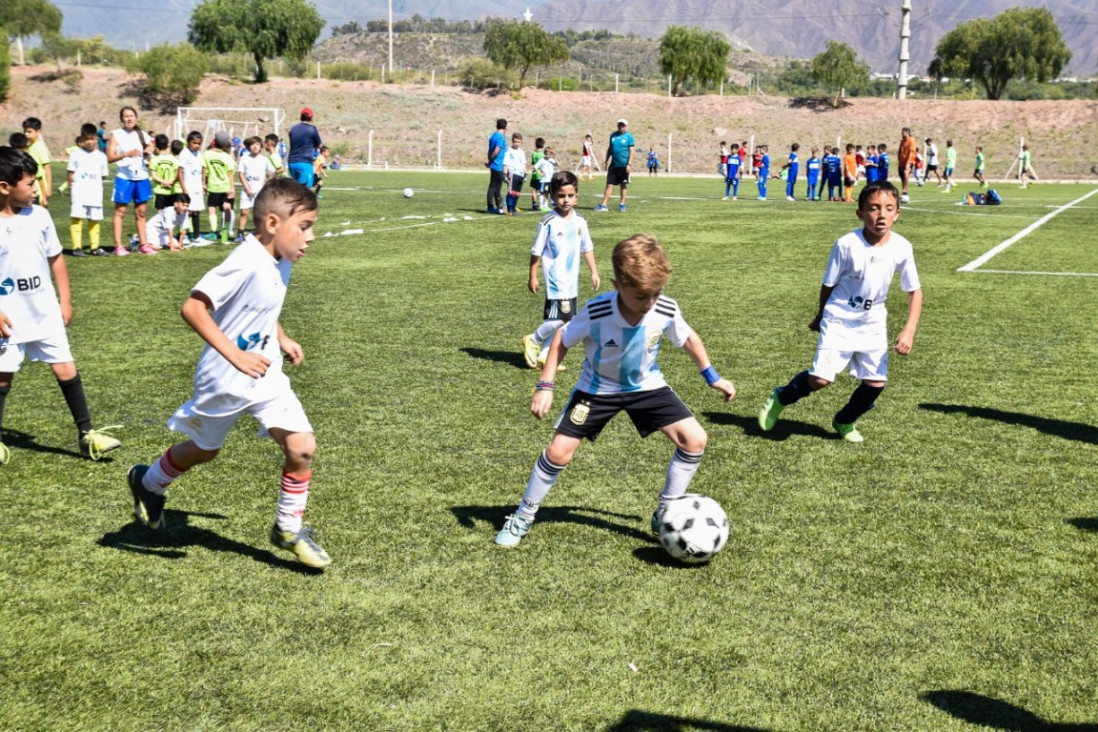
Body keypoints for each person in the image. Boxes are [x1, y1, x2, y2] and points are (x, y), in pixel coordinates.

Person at [125, 178, 330, 570]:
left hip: (266, 373)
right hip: (224, 375)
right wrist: (236, 355)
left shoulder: (281, 260)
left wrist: (282, 337)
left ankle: (288, 529)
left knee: (302, 447)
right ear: (272, 224)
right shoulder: (245, 260)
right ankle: (148, 482)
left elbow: (263, 307)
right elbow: (193, 308)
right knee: (205, 451)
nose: (312, 237)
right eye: (304, 227)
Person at [497, 233, 736, 548]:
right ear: (617, 284)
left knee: (695, 440)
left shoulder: (664, 308)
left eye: (656, 293)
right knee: (558, 452)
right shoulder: (598, 311)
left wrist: (712, 376)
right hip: (598, 389)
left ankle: (666, 510)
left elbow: (688, 337)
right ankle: (523, 515)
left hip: (646, 385)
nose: (649, 302)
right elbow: (561, 341)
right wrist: (545, 385)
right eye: (641, 296)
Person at [757, 180, 922, 443]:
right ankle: (781, 397)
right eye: (873, 208)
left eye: (889, 208)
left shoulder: (902, 247)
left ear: (897, 214)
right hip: (840, 317)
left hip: (873, 320)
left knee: (875, 383)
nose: (881, 215)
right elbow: (828, 284)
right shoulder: (846, 244)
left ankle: (844, 420)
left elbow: (914, 291)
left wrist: (909, 329)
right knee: (821, 379)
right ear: (860, 213)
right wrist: (821, 315)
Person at [0, 146, 122, 465]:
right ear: (4, 187)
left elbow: (56, 258)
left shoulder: (39, 216)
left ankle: (87, 435)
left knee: (66, 368)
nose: (36, 189)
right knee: (3, 377)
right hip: (8, 316)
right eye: (29, 184)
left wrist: (64, 299)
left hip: (44, 310)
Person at [521, 170, 600, 369]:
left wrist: (594, 271)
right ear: (552, 196)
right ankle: (534, 338)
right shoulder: (548, 222)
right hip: (555, 278)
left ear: (576, 196)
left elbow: (587, 248)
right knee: (567, 317)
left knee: (559, 320)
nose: (566, 200)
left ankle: (546, 356)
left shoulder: (580, 221)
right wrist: (533, 276)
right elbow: (536, 251)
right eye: (561, 196)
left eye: (570, 196)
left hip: (571, 279)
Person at [106, 106, 155, 256]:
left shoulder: (142, 134)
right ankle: (119, 246)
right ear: (122, 119)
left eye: (132, 115)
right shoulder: (116, 134)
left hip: (141, 177)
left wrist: (148, 152)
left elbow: (151, 145)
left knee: (141, 212)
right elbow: (109, 157)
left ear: (136, 118)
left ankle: (143, 244)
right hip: (124, 178)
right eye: (126, 116)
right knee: (120, 211)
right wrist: (126, 154)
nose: (129, 118)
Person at [66, 123, 111, 257]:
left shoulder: (101, 157)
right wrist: (71, 186)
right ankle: (77, 247)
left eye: (93, 139)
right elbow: (70, 172)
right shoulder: (75, 155)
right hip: (79, 192)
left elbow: (103, 174)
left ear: (97, 139)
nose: (90, 142)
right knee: (77, 217)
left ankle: (94, 247)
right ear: (82, 139)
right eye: (87, 139)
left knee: (95, 219)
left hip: (95, 192)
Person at [237, 136, 276, 239]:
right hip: (247, 191)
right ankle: (240, 233)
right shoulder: (244, 158)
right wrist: (247, 188)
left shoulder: (264, 159)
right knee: (244, 211)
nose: (255, 146)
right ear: (249, 146)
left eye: (257, 144)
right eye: (252, 144)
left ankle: (257, 231)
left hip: (259, 191)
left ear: (261, 147)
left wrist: (268, 183)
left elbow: (273, 171)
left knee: (259, 212)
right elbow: (240, 173)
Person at [595, 119, 634, 213]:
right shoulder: (613, 135)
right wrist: (606, 161)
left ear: (626, 126)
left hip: (624, 165)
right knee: (609, 185)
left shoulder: (629, 137)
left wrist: (629, 164)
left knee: (623, 185)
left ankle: (622, 204)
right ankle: (604, 205)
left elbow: (632, 151)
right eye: (620, 125)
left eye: (623, 125)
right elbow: (610, 149)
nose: (621, 126)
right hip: (613, 165)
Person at [204, 130, 236, 244]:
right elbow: (230, 173)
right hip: (226, 186)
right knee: (227, 208)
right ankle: (226, 231)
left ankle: (213, 231)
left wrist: (203, 183)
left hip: (213, 186)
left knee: (212, 208)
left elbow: (204, 170)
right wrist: (232, 188)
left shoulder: (207, 154)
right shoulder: (227, 157)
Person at [178, 132, 207, 243]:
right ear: (188, 142)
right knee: (187, 212)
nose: (196, 145)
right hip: (188, 187)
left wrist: (203, 184)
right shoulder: (184, 154)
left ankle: (196, 235)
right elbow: (180, 172)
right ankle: (184, 235)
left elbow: (202, 170)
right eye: (194, 143)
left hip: (197, 187)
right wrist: (184, 188)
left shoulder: (199, 154)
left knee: (196, 211)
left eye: (199, 143)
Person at [287, 107, 322, 188]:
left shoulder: (293, 128)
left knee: (296, 190)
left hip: (292, 163)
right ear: (311, 118)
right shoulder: (312, 129)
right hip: (305, 163)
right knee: (305, 193)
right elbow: (319, 145)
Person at [22, 117, 51, 208]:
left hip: (40, 190)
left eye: (29, 132)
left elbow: (47, 168)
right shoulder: (29, 146)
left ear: (38, 132)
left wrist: (48, 188)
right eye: (25, 131)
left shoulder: (40, 147)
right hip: (32, 188)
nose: (26, 134)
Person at [148, 134, 178, 213]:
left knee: (160, 212)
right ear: (167, 145)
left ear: (156, 145)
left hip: (159, 190)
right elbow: (178, 174)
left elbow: (153, 176)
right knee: (171, 213)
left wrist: (163, 182)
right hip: (171, 190)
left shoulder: (154, 159)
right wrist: (171, 183)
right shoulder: (174, 159)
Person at [485, 118, 507, 214]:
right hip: (498, 165)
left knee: (497, 187)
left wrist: (489, 161)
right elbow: (496, 151)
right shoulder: (501, 137)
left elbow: (490, 149)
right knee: (493, 187)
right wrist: (490, 161)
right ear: (505, 127)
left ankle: (499, 206)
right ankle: (490, 206)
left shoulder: (493, 135)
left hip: (495, 164)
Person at [502, 132, 527, 216]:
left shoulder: (522, 152)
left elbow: (524, 163)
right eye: (515, 141)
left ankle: (514, 208)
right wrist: (505, 174)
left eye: (518, 142)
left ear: (521, 142)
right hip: (512, 173)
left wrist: (525, 174)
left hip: (520, 174)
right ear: (512, 141)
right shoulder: (509, 150)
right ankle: (509, 210)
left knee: (517, 193)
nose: (516, 143)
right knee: (511, 192)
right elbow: (505, 162)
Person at [897, 127, 917, 203]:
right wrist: (899, 158)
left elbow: (911, 152)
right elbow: (900, 151)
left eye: (903, 132)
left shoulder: (911, 140)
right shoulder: (902, 141)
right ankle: (905, 194)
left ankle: (905, 192)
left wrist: (908, 163)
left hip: (909, 161)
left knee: (906, 173)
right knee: (902, 176)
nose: (901, 134)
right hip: (901, 162)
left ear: (907, 132)